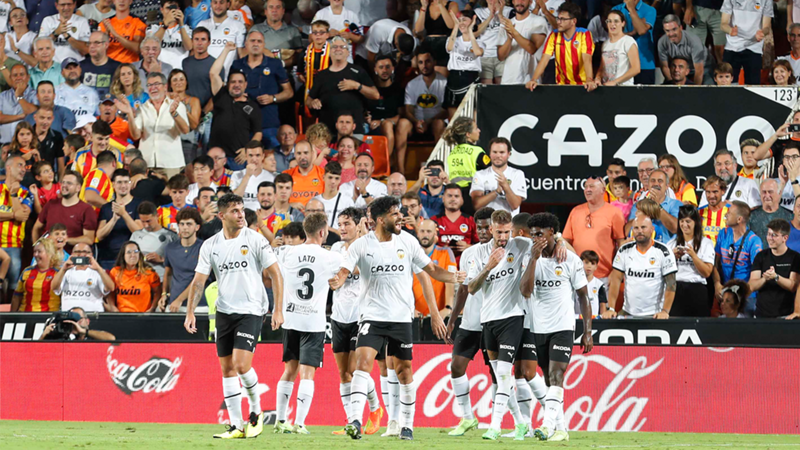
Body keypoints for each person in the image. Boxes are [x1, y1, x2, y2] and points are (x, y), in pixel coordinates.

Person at [329, 196, 462, 440]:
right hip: (371, 316)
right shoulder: (361, 245)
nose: (401, 216)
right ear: (381, 220)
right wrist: (338, 279)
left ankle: (406, 426)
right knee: (363, 362)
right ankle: (356, 421)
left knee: (404, 371)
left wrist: (454, 278)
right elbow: (345, 269)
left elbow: (431, 271)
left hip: (401, 318)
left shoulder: (408, 242)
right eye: (395, 213)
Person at [184, 193, 284, 439]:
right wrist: (189, 312)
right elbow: (198, 281)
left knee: (241, 365)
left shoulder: (256, 240)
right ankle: (236, 425)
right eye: (235, 211)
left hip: (251, 310)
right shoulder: (211, 245)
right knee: (227, 369)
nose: (241, 215)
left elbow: (276, 275)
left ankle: (256, 411)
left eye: (242, 210)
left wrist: (278, 309)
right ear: (222, 216)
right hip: (224, 311)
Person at [520, 212, 591, 442]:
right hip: (538, 327)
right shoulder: (530, 258)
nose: (535, 239)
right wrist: (533, 259)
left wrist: (587, 330)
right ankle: (562, 429)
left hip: (563, 326)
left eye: (539, 234)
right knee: (550, 382)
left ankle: (547, 425)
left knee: (556, 374)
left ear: (552, 232)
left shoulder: (570, 259)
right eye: (532, 235)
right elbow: (526, 291)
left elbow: (583, 296)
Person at [273, 213, 344, 434]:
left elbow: (269, 265)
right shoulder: (331, 257)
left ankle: (280, 420)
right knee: (307, 373)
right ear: (323, 232)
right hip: (313, 321)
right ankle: (300, 423)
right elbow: (354, 268)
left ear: (305, 231)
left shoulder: (287, 252)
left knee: (288, 371)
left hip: (290, 318)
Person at [463, 210, 531, 440]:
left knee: (503, 373)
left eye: (507, 231)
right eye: (499, 232)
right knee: (499, 375)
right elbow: (471, 288)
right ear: (490, 229)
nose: (503, 237)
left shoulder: (519, 245)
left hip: (512, 318)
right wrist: (487, 267)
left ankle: (495, 425)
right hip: (488, 320)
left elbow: (547, 241)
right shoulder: (479, 252)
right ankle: (521, 423)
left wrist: (560, 241)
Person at [327, 207, 385, 436]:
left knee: (355, 369)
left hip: (362, 316)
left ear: (359, 224)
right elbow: (333, 276)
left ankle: (374, 409)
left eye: (347, 224)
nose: (342, 228)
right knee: (343, 374)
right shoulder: (335, 248)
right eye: (340, 224)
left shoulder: (369, 246)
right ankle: (352, 421)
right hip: (339, 316)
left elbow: (365, 272)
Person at [444, 206, 494, 436]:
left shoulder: (507, 251)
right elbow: (463, 290)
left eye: (488, 227)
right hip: (471, 322)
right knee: (456, 367)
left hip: (495, 322)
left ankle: (501, 422)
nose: (484, 231)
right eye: (480, 227)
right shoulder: (468, 254)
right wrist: (454, 318)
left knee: (497, 374)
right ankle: (467, 418)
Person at [604, 215, 677, 319]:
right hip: (628, 312)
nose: (639, 231)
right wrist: (611, 308)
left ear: (652, 230)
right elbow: (615, 279)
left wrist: (665, 311)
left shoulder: (664, 251)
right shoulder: (624, 250)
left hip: (654, 314)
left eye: (643, 227)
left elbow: (671, 283)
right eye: (636, 228)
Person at [230, 30, 293, 150]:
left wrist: (272, 98)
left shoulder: (275, 64)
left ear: (264, 45)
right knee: (246, 161)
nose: (256, 44)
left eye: (259, 41)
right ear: (246, 44)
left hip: (268, 122)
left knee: (272, 159)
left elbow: (289, 92)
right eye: (252, 41)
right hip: (243, 123)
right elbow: (229, 92)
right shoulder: (237, 65)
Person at [306, 36, 379, 137]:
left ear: (348, 52)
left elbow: (375, 94)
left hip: (354, 130)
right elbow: (309, 100)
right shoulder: (322, 75)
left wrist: (356, 85)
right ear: (329, 52)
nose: (338, 49)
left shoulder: (358, 71)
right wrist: (313, 102)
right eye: (334, 47)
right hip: (327, 131)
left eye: (342, 47)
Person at [121, 73, 189, 176]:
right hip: (147, 163)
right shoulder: (142, 109)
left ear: (165, 86)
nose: (153, 88)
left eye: (156, 84)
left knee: (171, 191)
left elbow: (185, 130)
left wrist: (174, 113)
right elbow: (135, 135)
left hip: (171, 163)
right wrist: (130, 114)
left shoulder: (177, 106)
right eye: (149, 85)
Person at [563, 177, 626, 285]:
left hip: (604, 277)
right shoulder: (575, 211)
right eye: (586, 186)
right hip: (576, 275)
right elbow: (565, 241)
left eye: (591, 186)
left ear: (603, 190)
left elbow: (621, 244)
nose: (587, 189)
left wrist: (616, 271)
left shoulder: (614, 212)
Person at [396, 49, 447, 173]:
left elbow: (446, 111)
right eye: (420, 62)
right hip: (416, 123)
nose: (424, 66)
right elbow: (408, 109)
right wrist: (416, 122)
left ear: (434, 62)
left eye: (427, 62)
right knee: (402, 123)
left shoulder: (444, 83)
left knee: (439, 124)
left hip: (434, 122)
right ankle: (400, 171)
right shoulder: (412, 84)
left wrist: (428, 122)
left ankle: (441, 169)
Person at [209, 54, 263, 171]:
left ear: (245, 85)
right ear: (228, 84)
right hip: (215, 158)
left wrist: (247, 150)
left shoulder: (252, 107)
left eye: (240, 82)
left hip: (237, 159)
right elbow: (213, 73)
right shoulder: (221, 95)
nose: (236, 85)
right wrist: (227, 50)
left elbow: (258, 133)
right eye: (233, 82)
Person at [526, 3, 596, 90]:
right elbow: (544, 59)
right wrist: (534, 79)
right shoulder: (554, 35)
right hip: (562, 86)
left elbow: (587, 60)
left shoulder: (584, 35)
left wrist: (589, 80)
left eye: (562, 19)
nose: (558, 22)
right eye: (558, 18)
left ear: (573, 21)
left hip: (582, 86)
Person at [713, 200, 763, 315]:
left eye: (729, 213)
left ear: (739, 219)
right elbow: (716, 264)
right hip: (725, 295)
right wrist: (717, 283)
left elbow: (756, 273)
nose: (725, 215)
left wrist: (741, 295)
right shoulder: (723, 234)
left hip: (746, 298)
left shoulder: (754, 241)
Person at [666, 205, 715, 316]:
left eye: (688, 221)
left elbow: (707, 272)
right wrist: (672, 257)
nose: (684, 225)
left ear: (695, 222)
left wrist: (693, 255)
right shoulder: (671, 244)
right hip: (675, 290)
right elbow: (662, 272)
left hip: (696, 290)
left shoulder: (705, 243)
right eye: (682, 221)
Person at [748, 219, 800, 318]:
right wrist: (764, 279)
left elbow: (793, 286)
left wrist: (776, 277)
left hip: (786, 315)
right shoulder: (761, 256)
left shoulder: (795, 257)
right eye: (768, 234)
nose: (770, 238)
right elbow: (751, 286)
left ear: (785, 238)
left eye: (774, 235)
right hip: (761, 314)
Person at [33, 170, 95, 251]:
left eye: (69, 183)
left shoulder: (86, 209)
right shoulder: (50, 205)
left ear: (78, 188)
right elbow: (36, 228)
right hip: (48, 258)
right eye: (63, 182)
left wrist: (63, 240)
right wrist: (36, 248)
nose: (64, 185)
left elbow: (89, 239)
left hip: (72, 258)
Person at [96, 168, 142, 269]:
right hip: (108, 259)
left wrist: (124, 214)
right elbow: (99, 236)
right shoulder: (106, 208)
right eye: (119, 182)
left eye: (126, 182)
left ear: (130, 184)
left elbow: (139, 233)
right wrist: (114, 219)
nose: (123, 186)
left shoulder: (139, 204)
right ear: (113, 184)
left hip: (132, 259)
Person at [161, 208, 204, 312]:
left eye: (189, 224)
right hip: (174, 304)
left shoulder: (204, 247)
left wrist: (180, 299)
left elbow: (200, 279)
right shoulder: (170, 248)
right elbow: (168, 273)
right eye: (182, 224)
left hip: (198, 305)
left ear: (197, 227)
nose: (185, 228)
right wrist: (164, 294)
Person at [720, 0, 772, 86]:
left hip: (754, 46)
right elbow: (723, 23)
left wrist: (762, 32)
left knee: (753, 87)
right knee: (728, 86)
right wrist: (730, 30)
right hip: (733, 46)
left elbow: (766, 27)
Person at [470, 137, 526, 215]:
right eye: (495, 152)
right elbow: (477, 205)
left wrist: (505, 186)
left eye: (502, 152)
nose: (498, 155)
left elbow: (515, 205)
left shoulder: (517, 174)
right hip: (487, 224)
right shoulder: (480, 175)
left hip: (509, 225)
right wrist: (496, 192)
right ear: (489, 153)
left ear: (509, 154)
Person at [52, 242, 115, 311]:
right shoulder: (66, 271)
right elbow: (54, 287)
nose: (81, 254)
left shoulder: (99, 271)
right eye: (77, 252)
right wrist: (63, 269)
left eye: (85, 252)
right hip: (69, 316)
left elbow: (111, 288)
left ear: (91, 254)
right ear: (72, 254)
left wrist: (98, 268)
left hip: (92, 315)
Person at [497, 0, 547, 86]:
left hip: (531, 81)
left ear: (530, 2)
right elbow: (501, 56)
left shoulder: (539, 21)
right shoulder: (506, 24)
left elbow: (532, 49)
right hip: (508, 79)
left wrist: (513, 32)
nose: (519, 2)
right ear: (513, 1)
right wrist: (509, 39)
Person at [412, 219, 456, 316]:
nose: (425, 235)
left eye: (429, 231)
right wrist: (409, 309)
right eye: (422, 231)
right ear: (417, 233)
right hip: (415, 313)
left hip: (440, 313)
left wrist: (448, 307)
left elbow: (450, 280)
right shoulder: (411, 255)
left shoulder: (446, 252)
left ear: (435, 233)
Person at [444, 9, 483, 117]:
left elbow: (478, 52)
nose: (461, 23)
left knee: (472, 116)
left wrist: (470, 31)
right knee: (453, 119)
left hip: (470, 78)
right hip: (454, 77)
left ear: (473, 21)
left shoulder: (479, 42)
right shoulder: (452, 39)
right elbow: (449, 47)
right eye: (459, 20)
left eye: (464, 20)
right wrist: (456, 26)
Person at [0, 156, 31, 292]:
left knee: (13, 289)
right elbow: (17, 214)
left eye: (24, 166)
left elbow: (22, 216)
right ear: (8, 167)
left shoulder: (26, 193)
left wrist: (13, 196)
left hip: (14, 245)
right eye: (20, 165)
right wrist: (13, 215)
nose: (23, 169)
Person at [442, 117, 487, 209]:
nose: (479, 130)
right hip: (473, 194)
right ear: (468, 134)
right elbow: (490, 171)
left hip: (455, 194)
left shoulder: (452, 153)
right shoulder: (477, 151)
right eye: (476, 128)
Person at [108, 241, 162, 312]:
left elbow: (158, 292)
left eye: (136, 251)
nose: (133, 255)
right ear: (123, 255)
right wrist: (112, 307)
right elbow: (110, 292)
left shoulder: (149, 273)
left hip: (143, 316)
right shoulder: (115, 272)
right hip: (121, 315)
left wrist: (152, 308)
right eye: (129, 252)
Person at [365, 54, 403, 153]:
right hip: (370, 125)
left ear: (393, 68)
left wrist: (382, 121)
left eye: (387, 67)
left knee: (387, 125)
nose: (384, 70)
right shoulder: (370, 88)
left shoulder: (398, 89)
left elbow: (401, 115)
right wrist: (367, 119)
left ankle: (387, 162)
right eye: (381, 67)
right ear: (375, 69)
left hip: (391, 126)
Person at [131, 201, 177, 279]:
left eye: (148, 221)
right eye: (143, 221)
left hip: (162, 279)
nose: (146, 225)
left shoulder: (171, 236)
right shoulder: (135, 235)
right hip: (141, 280)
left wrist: (161, 260)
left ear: (157, 216)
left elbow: (180, 259)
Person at [251, 0, 303, 70]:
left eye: (278, 7)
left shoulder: (293, 31)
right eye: (271, 7)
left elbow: (299, 55)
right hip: (260, 72)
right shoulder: (256, 29)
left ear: (283, 11)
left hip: (285, 73)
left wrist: (283, 63)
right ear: (265, 11)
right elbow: (248, 51)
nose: (274, 10)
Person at [11, 238, 60, 312]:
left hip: (49, 317)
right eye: (34, 251)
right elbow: (17, 296)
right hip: (25, 315)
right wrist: (12, 316)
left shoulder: (58, 273)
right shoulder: (27, 271)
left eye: (39, 251)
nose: (35, 254)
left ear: (50, 253)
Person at [431, 184, 477, 261]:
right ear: (443, 198)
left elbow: (482, 245)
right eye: (449, 196)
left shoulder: (471, 221)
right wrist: (442, 249)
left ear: (462, 199)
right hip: (440, 265)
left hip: (465, 266)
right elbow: (425, 246)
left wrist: (468, 247)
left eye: (456, 196)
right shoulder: (433, 221)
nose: (453, 199)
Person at [657, 15, 705, 85]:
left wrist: (694, 93)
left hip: (701, 68)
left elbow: (699, 71)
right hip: (678, 70)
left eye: (674, 29)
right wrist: (673, 86)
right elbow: (665, 67)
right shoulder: (662, 42)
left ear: (681, 28)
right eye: (667, 30)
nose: (671, 34)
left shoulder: (694, 41)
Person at [596, 10, 640, 86]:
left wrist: (615, 82)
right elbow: (602, 67)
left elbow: (636, 69)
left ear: (623, 23)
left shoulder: (628, 41)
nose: (612, 24)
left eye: (616, 21)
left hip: (623, 88)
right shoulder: (605, 44)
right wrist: (598, 78)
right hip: (607, 87)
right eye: (609, 21)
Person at [414, 0, 458, 75]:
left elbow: (451, 25)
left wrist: (440, 5)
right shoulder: (427, 5)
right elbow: (418, 29)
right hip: (428, 43)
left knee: (440, 73)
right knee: (419, 66)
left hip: (444, 43)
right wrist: (424, 7)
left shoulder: (452, 4)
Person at [147, 0, 193, 70]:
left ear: (179, 10)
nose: (171, 12)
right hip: (160, 71)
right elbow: (152, 44)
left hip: (180, 72)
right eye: (168, 8)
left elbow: (189, 47)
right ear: (161, 10)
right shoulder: (153, 27)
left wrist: (181, 24)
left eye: (174, 8)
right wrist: (165, 25)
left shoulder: (186, 28)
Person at [231, 141, 276, 211]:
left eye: (257, 155)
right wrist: (247, 176)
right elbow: (234, 200)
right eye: (251, 155)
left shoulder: (271, 177)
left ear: (263, 156)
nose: (254, 159)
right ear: (246, 156)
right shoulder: (236, 175)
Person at [98, 0, 146, 64]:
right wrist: (106, 35)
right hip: (108, 66)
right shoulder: (105, 23)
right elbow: (99, 51)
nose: (121, 1)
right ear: (114, 1)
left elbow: (137, 49)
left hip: (130, 66)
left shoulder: (138, 22)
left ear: (130, 1)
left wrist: (115, 34)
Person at [0, 64, 38, 145]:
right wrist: (20, 116)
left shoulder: (35, 94)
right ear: (10, 78)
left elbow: (32, 113)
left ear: (28, 77)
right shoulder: (2, 96)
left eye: (21, 75)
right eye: (15, 75)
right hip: (5, 145)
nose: (18, 78)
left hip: (28, 146)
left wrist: (19, 96)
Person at [182, 27, 218, 112]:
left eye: (203, 39)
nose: (199, 43)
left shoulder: (216, 65)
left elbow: (217, 94)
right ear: (192, 41)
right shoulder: (185, 62)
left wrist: (203, 113)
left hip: (207, 114)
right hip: (187, 111)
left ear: (209, 42)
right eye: (196, 39)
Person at [311, 161, 353, 231]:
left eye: (336, 178)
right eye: (330, 177)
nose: (333, 181)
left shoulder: (347, 201)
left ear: (340, 180)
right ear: (323, 177)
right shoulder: (314, 202)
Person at [282, 140, 325, 207]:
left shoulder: (323, 174)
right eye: (299, 153)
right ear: (295, 155)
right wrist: (290, 205)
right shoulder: (286, 175)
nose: (302, 157)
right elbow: (278, 202)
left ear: (312, 153)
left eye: (306, 153)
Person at [750, 179, 793, 245]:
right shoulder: (750, 217)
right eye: (764, 192)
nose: (767, 196)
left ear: (779, 193)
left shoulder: (790, 217)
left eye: (770, 192)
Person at [79, 31, 119, 99]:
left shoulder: (118, 68)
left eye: (96, 43)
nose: (91, 46)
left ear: (106, 45)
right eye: (89, 43)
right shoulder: (79, 67)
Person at [39, 306, 116, 340]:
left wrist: (83, 331)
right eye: (72, 320)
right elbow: (36, 352)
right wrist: (43, 336)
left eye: (79, 319)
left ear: (87, 321)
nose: (75, 323)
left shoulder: (93, 336)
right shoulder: (64, 337)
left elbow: (111, 338)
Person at [698, 175, 731, 243]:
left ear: (723, 191)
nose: (711, 196)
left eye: (715, 192)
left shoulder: (731, 211)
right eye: (708, 192)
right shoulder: (699, 212)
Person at [577, 250, 608, 317]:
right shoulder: (575, 283)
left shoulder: (599, 285)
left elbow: (602, 305)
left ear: (596, 266)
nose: (589, 266)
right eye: (586, 262)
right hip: (577, 319)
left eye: (592, 263)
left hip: (594, 319)